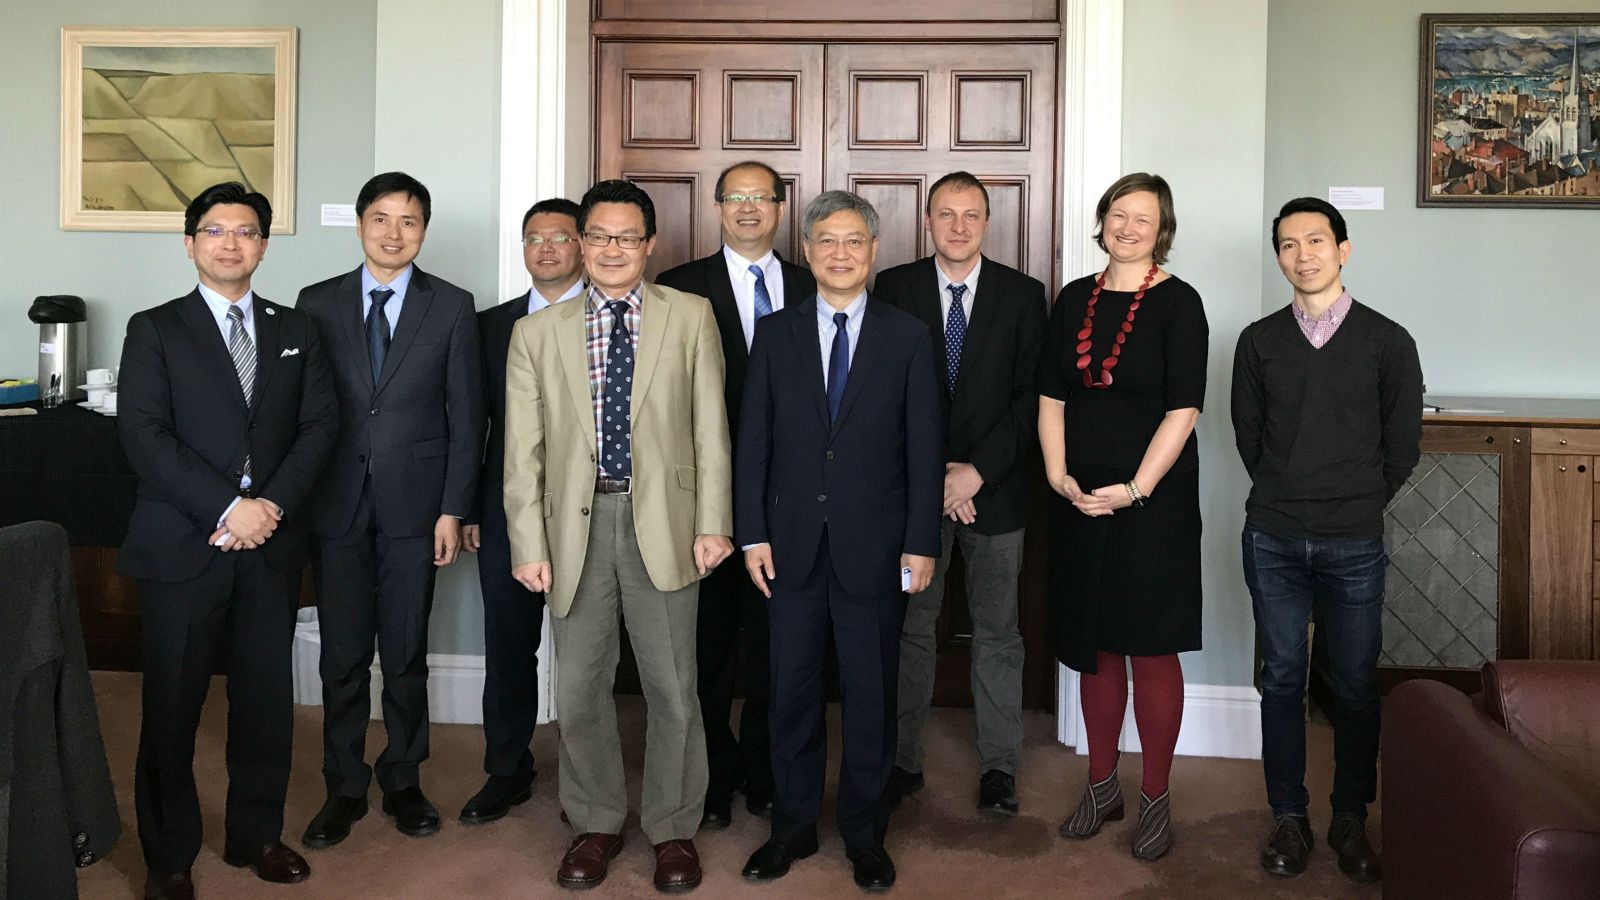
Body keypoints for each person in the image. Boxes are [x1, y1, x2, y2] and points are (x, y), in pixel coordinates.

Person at [502, 179, 733, 893]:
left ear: (650, 244)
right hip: (574, 530)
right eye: (596, 236)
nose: (610, 249)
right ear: (579, 244)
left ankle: (672, 828)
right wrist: (527, 543)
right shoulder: (536, 332)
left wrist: (714, 523)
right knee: (578, 688)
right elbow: (523, 452)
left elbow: (711, 429)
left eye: (625, 237)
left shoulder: (690, 316)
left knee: (674, 689)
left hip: (664, 524)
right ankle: (596, 819)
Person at [117, 181, 337, 900]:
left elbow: (318, 428)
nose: (230, 243)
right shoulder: (155, 328)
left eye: (246, 231)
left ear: (264, 246)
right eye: (215, 231)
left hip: (270, 546)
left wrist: (267, 505)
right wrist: (228, 506)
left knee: (265, 703)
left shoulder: (295, 328)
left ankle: (256, 836)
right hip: (185, 543)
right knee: (172, 706)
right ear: (190, 243)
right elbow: (144, 438)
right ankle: (170, 854)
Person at [736, 190, 943, 892]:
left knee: (870, 697)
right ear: (809, 250)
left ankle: (864, 834)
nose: (841, 253)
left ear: (875, 250)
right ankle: (791, 829)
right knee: (789, 696)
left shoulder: (908, 336)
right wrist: (752, 533)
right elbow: (752, 445)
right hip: (789, 548)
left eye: (854, 240)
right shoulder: (776, 333)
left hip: (877, 551)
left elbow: (924, 450)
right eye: (826, 240)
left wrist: (921, 542)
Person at [1234, 196, 1422, 884]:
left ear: (1344, 250)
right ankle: (1289, 815)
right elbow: (1250, 440)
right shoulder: (1259, 342)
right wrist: (1291, 495)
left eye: (1316, 241)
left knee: (1353, 684)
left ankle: (1350, 818)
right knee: (1281, 678)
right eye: (1288, 244)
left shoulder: (1387, 341)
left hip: (1353, 542)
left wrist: (1356, 503)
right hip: (1274, 537)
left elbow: (1401, 447)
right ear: (1278, 256)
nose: (1302, 254)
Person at [297, 172, 486, 847]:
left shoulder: (452, 306)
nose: (393, 233)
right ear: (359, 225)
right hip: (336, 507)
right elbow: (305, 413)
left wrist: (452, 508)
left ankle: (403, 779)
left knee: (405, 654)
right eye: (381, 219)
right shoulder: (315, 303)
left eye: (408, 221)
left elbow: (469, 419)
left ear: (423, 231)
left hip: (417, 511)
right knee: (342, 657)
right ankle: (344, 787)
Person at [1037, 172, 1207, 861]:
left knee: (1150, 644)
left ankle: (1155, 796)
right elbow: (1051, 394)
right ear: (1102, 219)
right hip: (1079, 500)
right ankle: (1101, 783)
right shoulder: (1074, 298)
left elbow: (1184, 409)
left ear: (1160, 228)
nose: (1128, 227)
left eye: (1143, 218)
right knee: (1094, 644)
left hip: (1151, 504)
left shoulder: (1179, 303)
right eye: (1118, 214)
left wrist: (1135, 488)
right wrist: (1057, 476)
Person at [875, 171, 1046, 817]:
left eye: (971, 214)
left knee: (999, 632)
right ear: (927, 220)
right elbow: (883, 394)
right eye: (946, 214)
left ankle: (1000, 767)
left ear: (987, 222)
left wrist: (975, 473)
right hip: (913, 496)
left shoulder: (1024, 296)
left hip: (994, 493)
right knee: (911, 627)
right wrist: (936, 479)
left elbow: (1033, 396)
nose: (958, 226)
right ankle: (901, 762)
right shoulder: (893, 288)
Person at [656, 160, 817, 828]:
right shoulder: (677, 287)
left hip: (797, 497)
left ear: (781, 208)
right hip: (706, 498)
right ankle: (713, 777)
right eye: (735, 197)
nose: (748, 207)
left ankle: (765, 772)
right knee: (708, 647)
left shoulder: (814, 286)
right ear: (718, 207)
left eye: (762, 197)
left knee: (778, 645)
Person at [457, 197, 587, 825]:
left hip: (592, 515)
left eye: (559, 238)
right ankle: (506, 770)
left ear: (583, 245)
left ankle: (590, 786)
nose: (545, 249)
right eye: (533, 238)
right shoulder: (490, 326)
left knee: (589, 653)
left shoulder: (614, 317)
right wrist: (474, 508)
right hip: (510, 515)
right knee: (509, 647)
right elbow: (479, 426)